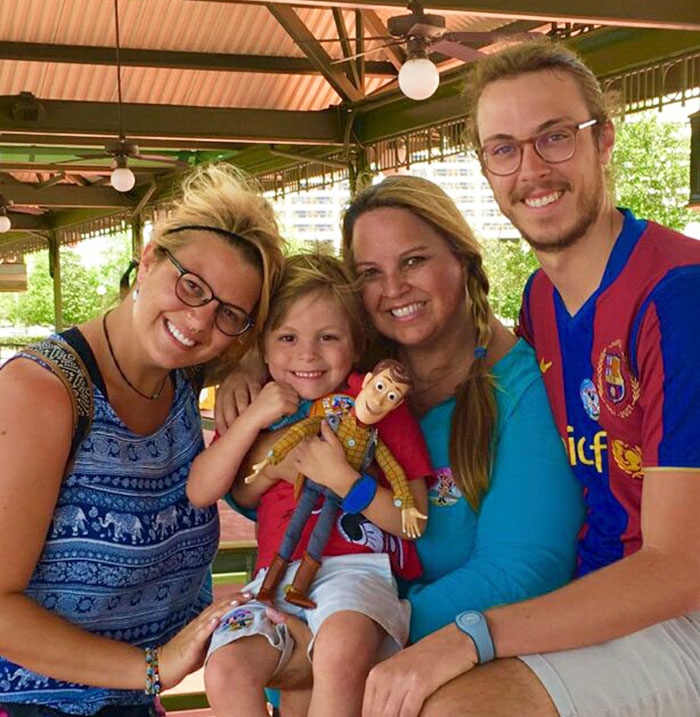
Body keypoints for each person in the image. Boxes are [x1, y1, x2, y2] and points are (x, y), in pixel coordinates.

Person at [361, 39, 700, 717]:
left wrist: (471, 635)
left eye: (555, 137)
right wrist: (254, 365)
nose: (532, 169)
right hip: (595, 596)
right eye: (504, 149)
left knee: (454, 706)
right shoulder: (541, 302)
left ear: (603, 140)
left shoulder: (678, 295)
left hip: (677, 607)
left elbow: (678, 565)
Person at [216, 170, 585, 712]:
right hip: (315, 650)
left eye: (413, 261)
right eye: (370, 272)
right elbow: (252, 493)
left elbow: (523, 571)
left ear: (463, 259)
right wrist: (251, 367)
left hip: (448, 665)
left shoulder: (524, 390)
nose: (393, 288)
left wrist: (354, 634)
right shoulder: (350, 374)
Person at [0, 164, 285, 716]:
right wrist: (154, 666)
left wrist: (253, 363)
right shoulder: (44, 391)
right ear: (150, 258)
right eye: (191, 285)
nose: (199, 321)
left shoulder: (185, 376)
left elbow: (311, 323)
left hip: (130, 704)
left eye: (229, 314)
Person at [186, 253, 431, 716]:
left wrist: (343, 480)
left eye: (328, 337)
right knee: (225, 667)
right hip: (272, 577)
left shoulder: (377, 403)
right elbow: (207, 491)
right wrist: (256, 417)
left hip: (356, 570)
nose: (307, 354)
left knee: (340, 650)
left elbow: (411, 521)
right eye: (288, 338)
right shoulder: (258, 403)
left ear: (356, 343)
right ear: (262, 347)